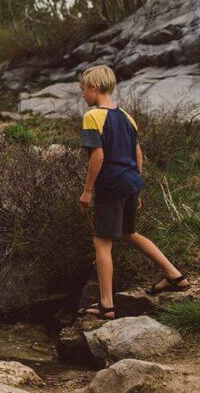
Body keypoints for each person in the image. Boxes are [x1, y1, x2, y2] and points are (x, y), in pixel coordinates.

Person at [77, 65, 189, 319]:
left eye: (83, 90)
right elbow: (137, 152)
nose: (83, 95)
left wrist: (87, 190)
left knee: (102, 242)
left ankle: (106, 305)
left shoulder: (92, 116)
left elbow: (98, 155)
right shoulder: (127, 116)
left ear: (94, 87)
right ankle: (174, 275)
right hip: (130, 181)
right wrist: (136, 184)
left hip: (111, 183)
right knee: (130, 233)